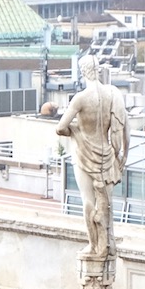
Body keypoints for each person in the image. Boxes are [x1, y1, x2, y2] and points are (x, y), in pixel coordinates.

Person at [55, 54, 131, 259]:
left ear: (83, 72)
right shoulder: (112, 94)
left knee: (88, 201)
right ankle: (108, 243)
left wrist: (76, 132)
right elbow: (125, 129)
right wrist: (123, 155)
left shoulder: (80, 99)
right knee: (106, 203)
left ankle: (94, 245)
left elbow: (60, 127)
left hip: (84, 155)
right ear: (98, 71)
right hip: (107, 155)